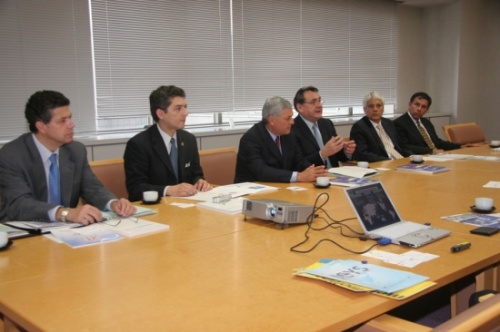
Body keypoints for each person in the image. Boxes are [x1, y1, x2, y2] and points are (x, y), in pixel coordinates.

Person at [0, 90, 136, 224]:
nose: (71, 124)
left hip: (65, 230)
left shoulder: (75, 150)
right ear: (41, 126)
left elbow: (93, 189)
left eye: (70, 117)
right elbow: (18, 204)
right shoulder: (11, 155)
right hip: (25, 231)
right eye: (62, 121)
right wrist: (64, 213)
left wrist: (113, 203)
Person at [124, 85, 212, 201]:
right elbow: (136, 189)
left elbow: (196, 174)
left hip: (187, 206)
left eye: (185, 107)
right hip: (156, 209)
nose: (186, 113)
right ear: (161, 114)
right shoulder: (138, 144)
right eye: (178, 108)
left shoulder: (189, 139)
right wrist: (168, 190)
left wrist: (200, 182)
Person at [234, 96, 327, 183]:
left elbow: (299, 161)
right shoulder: (251, 139)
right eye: (288, 118)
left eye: (292, 117)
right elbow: (262, 171)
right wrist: (298, 176)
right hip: (252, 192)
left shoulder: (288, 135)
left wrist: (313, 171)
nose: (292, 122)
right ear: (272, 120)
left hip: (281, 187)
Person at [395, 92, 480, 154]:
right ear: (410, 104)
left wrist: (460, 146)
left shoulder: (426, 122)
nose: (419, 109)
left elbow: (438, 142)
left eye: (423, 107)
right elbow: (404, 146)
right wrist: (431, 151)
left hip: (438, 156)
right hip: (422, 158)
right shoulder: (400, 123)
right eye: (417, 104)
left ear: (427, 110)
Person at [292, 86, 356, 169]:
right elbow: (298, 165)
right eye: (313, 102)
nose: (319, 105)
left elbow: (339, 156)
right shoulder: (292, 129)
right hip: (313, 179)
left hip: (335, 176)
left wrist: (346, 151)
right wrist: (322, 154)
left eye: (319, 101)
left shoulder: (326, 124)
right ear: (300, 107)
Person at [350, 91, 413, 162]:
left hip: (400, 160)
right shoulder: (359, 127)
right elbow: (362, 154)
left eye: (378, 106)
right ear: (364, 109)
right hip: (382, 163)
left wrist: (412, 156)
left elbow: (401, 145)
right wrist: (389, 161)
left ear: (383, 108)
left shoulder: (389, 123)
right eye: (371, 106)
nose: (375, 109)